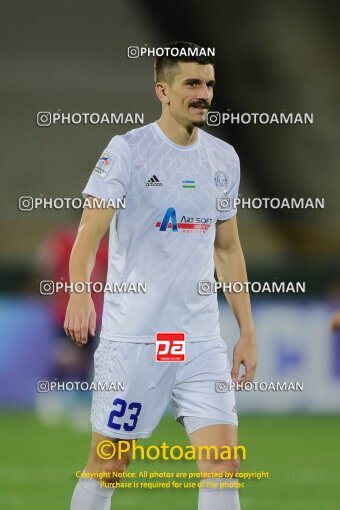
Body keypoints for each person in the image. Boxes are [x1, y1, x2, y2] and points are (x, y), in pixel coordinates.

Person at [65, 41, 257, 510]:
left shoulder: (223, 159)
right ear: (162, 92)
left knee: (224, 462)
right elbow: (88, 234)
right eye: (192, 83)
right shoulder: (127, 151)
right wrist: (79, 294)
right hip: (136, 338)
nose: (204, 93)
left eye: (209, 84)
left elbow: (228, 249)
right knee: (108, 465)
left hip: (198, 339)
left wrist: (247, 331)